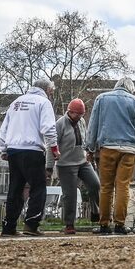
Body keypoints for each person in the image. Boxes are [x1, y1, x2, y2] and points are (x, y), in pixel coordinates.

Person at [85, 77, 135, 235]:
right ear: (131, 89)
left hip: (107, 147)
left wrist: (90, 147)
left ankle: (104, 224)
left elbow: (93, 124)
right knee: (123, 185)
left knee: (106, 186)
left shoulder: (102, 99)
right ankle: (120, 224)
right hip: (129, 150)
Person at [0, 77, 59, 237]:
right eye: (51, 92)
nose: (51, 95)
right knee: (38, 187)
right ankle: (31, 224)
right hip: (32, 149)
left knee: (15, 189)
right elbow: (48, 127)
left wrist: (3, 148)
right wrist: (54, 148)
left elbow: (4, 128)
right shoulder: (43, 103)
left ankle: (9, 226)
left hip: (13, 150)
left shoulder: (16, 103)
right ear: (47, 90)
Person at [47, 98, 100, 235]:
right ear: (70, 112)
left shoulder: (81, 122)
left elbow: (85, 139)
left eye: (82, 114)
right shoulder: (60, 124)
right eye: (77, 114)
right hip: (66, 164)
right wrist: (49, 167)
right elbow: (51, 146)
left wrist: (90, 153)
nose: (79, 117)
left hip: (82, 161)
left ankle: (95, 211)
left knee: (95, 184)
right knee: (70, 195)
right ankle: (69, 224)